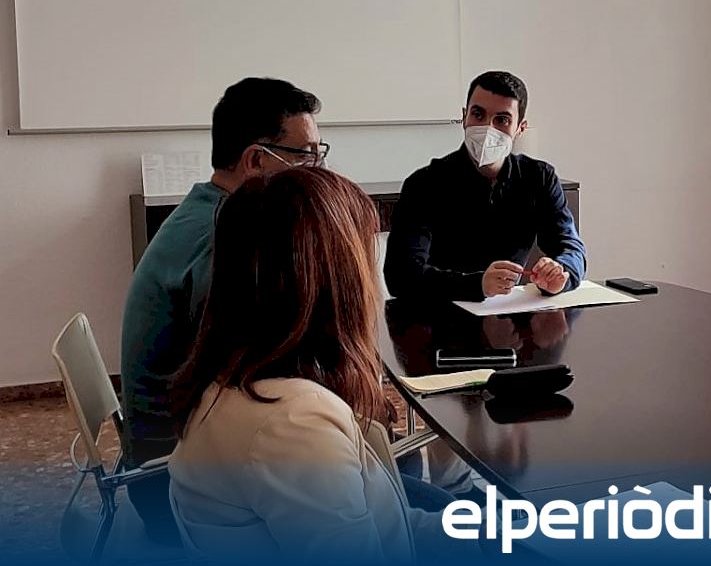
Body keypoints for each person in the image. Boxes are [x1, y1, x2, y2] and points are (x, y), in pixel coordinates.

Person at [169, 168, 466, 563]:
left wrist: (486, 535)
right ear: (338, 283)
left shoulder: (234, 377)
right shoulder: (292, 423)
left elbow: (385, 523)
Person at [119, 77, 326, 542]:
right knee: (384, 463)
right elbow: (258, 370)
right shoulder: (221, 238)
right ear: (256, 160)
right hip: (173, 483)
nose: (316, 168)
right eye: (305, 155)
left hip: (176, 454)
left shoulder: (204, 208)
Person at [384, 70, 586, 301]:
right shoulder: (425, 184)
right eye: (478, 114)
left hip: (512, 314)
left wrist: (561, 274)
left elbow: (571, 247)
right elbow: (400, 276)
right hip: (440, 313)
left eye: (502, 120)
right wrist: (477, 285)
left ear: (520, 128)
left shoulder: (539, 177)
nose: (487, 128)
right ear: (464, 117)